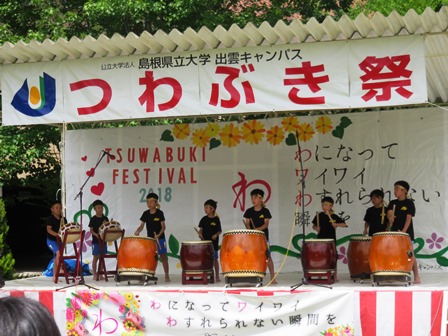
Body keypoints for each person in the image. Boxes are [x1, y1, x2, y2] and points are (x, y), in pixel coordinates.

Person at [387, 180, 421, 284]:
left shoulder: (409, 203)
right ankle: (393, 275)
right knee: (393, 253)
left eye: (396, 189)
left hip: (406, 234)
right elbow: (389, 214)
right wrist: (390, 217)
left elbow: (408, 219)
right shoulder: (393, 203)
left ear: (403, 190)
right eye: (394, 189)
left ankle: (416, 276)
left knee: (410, 253)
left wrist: (403, 232)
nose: (394, 191)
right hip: (394, 233)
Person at [243, 189, 277, 284]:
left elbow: (266, 225)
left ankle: (272, 277)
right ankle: (253, 276)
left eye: (255, 198)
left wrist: (257, 230)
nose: (253, 200)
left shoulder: (265, 211)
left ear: (260, 198)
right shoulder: (249, 211)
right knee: (253, 257)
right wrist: (250, 230)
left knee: (268, 257)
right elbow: (247, 224)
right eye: (252, 198)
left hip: (263, 238)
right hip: (252, 239)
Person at [135, 193, 170, 282]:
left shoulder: (160, 213)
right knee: (151, 257)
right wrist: (138, 230)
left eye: (151, 201)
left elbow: (163, 227)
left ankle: (166, 275)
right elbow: (141, 226)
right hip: (150, 240)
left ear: (155, 202)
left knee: (163, 257)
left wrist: (158, 235)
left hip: (160, 238)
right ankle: (149, 274)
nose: (149, 203)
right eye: (147, 202)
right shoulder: (145, 213)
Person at [312, 196, 348, 281]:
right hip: (321, 239)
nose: (324, 207)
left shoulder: (334, 216)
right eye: (323, 205)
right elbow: (314, 225)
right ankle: (320, 274)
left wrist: (337, 225)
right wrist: (316, 228)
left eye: (326, 205)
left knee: (333, 257)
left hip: (331, 240)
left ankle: (334, 275)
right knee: (320, 257)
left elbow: (345, 224)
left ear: (331, 206)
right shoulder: (319, 215)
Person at [198, 199, 222, 282]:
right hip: (204, 243)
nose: (205, 209)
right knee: (205, 259)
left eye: (206, 207)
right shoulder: (203, 219)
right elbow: (200, 229)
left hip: (214, 244)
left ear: (212, 209)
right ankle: (204, 275)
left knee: (215, 259)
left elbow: (219, 230)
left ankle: (217, 276)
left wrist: (216, 235)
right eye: (204, 207)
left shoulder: (216, 219)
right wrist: (200, 234)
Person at [45, 201, 67, 283]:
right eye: (56, 208)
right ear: (52, 209)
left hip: (60, 241)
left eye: (60, 208)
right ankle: (60, 268)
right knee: (58, 253)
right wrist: (57, 234)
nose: (59, 209)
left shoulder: (63, 219)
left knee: (56, 258)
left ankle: (55, 277)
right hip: (51, 241)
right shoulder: (50, 218)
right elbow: (48, 230)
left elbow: (66, 228)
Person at [88, 199, 109, 281]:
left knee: (102, 257)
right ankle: (95, 273)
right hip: (96, 241)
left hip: (104, 240)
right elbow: (91, 230)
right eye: (98, 208)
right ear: (95, 209)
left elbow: (107, 228)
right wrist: (96, 234)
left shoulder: (105, 218)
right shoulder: (93, 219)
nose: (100, 209)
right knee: (96, 257)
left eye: (101, 207)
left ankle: (100, 273)